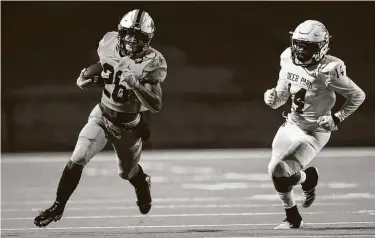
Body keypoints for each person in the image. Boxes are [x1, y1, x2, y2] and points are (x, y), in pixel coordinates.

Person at [34, 9, 167, 227]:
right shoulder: (108, 42)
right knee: (78, 157)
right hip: (102, 116)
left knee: (126, 173)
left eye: (139, 37)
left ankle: (141, 182)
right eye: (129, 34)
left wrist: (135, 85)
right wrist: (86, 79)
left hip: (128, 126)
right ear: (120, 32)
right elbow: (105, 73)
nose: (133, 41)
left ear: (148, 40)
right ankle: (57, 207)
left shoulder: (153, 61)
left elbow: (156, 104)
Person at [263, 20, 365, 229]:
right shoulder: (287, 58)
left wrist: (337, 117)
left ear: (322, 46)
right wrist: (272, 98)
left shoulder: (329, 68)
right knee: (275, 171)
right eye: (298, 44)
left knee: (281, 169)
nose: (300, 50)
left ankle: (293, 218)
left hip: (313, 131)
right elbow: (282, 96)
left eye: (307, 46)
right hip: (291, 124)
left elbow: (357, 95)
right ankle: (306, 182)